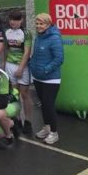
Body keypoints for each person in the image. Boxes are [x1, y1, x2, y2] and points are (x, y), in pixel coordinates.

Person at [29, 13, 64, 145]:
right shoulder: (39, 37)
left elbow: (59, 59)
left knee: (49, 105)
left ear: (48, 24)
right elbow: (36, 55)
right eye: (37, 23)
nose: (38, 26)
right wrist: (32, 66)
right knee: (44, 105)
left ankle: (54, 133)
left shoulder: (55, 38)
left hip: (51, 79)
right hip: (38, 78)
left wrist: (45, 70)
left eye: (41, 23)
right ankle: (47, 127)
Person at [4, 10, 33, 135]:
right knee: (14, 95)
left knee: (25, 94)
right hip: (9, 65)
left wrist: (21, 68)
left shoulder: (26, 33)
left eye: (16, 19)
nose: (13, 22)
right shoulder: (7, 32)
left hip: (23, 66)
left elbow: (27, 52)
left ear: (21, 20)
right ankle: (17, 119)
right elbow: (6, 49)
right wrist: (4, 65)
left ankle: (28, 121)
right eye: (11, 19)